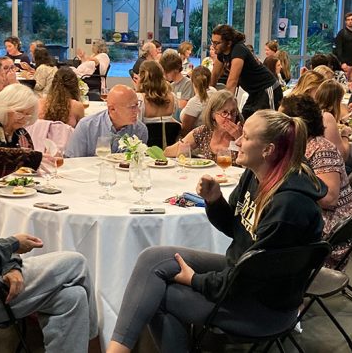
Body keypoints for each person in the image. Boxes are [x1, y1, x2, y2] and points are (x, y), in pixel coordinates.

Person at [107, 110, 326, 353]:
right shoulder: (256, 175)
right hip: (241, 277)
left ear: (268, 150)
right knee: (153, 258)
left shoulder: (289, 206)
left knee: (159, 296)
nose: (238, 142)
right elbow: (235, 229)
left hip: (264, 307)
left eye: (246, 137)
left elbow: (251, 278)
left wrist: (195, 280)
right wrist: (214, 200)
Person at [0, 130, 98, 352]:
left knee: (72, 297)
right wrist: (13, 244)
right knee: (76, 263)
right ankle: (98, 347)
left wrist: (9, 264)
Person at [279, 94, 352, 267]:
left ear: (297, 124)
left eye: (281, 120)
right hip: (314, 220)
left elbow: (330, 199)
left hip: (329, 234)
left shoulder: (321, 148)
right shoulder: (299, 145)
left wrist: (291, 184)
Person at [211, 25, 282, 119]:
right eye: (212, 42)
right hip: (254, 93)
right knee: (245, 120)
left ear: (228, 43)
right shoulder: (222, 53)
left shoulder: (238, 50)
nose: (213, 46)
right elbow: (214, 75)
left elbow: (232, 81)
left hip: (268, 89)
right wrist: (208, 97)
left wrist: (225, 107)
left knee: (265, 124)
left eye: (217, 43)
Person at [65, 85, 148, 157]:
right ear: (112, 109)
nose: (138, 111)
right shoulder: (86, 127)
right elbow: (73, 163)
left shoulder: (140, 130)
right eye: (132, 107)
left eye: (138, 105)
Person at [165, 90, 241, 161]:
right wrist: (182, 147)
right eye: (224, 112)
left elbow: (250, 164)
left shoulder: (243, 133)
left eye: (233, 112)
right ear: (213, 114)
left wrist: (239, 138)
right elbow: (168, 152)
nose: (230, 117)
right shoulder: (204, 131)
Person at [314, 79, 351, 161]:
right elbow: (341, 156)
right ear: (335, 102)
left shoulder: (315, 113)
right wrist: (345, 134)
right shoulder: (326, 117)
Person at [180, 66, 216, 136]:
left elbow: (185, 131)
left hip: (196, 140)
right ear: (209, 80)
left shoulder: (195, 102)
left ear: (192, 81)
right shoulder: (214, 91)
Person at [335, 12, 352, 82]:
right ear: (345, 22)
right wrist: (342, 62)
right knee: (345, 83)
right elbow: (338, 49)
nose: (350, 21)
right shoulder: (341, 33)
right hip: (345, 63)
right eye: (348, 20)